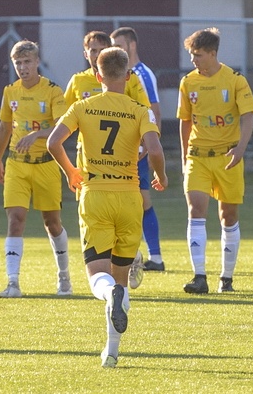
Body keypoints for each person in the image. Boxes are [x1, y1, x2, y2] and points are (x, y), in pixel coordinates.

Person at [48, 46, 167, 368]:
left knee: (98, 276)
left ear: (97, 75)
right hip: (130, 197)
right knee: (122, 277)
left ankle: (107, 296)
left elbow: (53, 142)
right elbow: (154, 148)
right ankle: (111, 352)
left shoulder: (82, 106)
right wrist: (161, 175)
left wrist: (71, 171)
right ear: (128, 76)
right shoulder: (140, 110)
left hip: (95, 194)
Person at [64, 30, 152, 289]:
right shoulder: (78, 82)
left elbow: (55, 135)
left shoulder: (131, 84)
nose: (94, 54)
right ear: (85, 53)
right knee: (114, 227)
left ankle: (119, 268)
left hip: (113, 169)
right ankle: (127, 261)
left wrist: (139, 151)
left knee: (100, 240)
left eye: (98, 49)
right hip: (90, 166)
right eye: (90, 50)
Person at [177, 27, 253, 294]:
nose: (193, 60)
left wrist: (241, 148)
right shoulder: (188, 82)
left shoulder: (235, 80)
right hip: (197, 156)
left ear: (213, 53)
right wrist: (183, 156)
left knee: (228, 216)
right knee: (196, 210)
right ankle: (199, 277)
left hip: (227, 157)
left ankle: (226, 278)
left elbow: (248, 117)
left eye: (198, 55)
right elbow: (185, 122)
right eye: (191, 55)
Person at [0, 40, 72, 298]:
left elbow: (63, 128)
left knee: (52, 223)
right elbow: (4, 127)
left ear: (37, 62)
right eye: (18, 63)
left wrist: (37, 135)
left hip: (46, 165)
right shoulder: (10, 92)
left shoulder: (52, 91)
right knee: (15, 219)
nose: (23, 68)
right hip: (17, 164)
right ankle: (13, 283)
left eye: (27, 62)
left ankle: (64, 277)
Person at [111, 26, 166, 271]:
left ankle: (154, 256)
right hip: (121, 149)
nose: (117, 51)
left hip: (138, 149)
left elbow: (154, 109)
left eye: (120, 46)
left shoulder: (140, 73)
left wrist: (148, 145)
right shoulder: (120, 72)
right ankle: (133, 255)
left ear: (131, 46)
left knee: (142, 201)